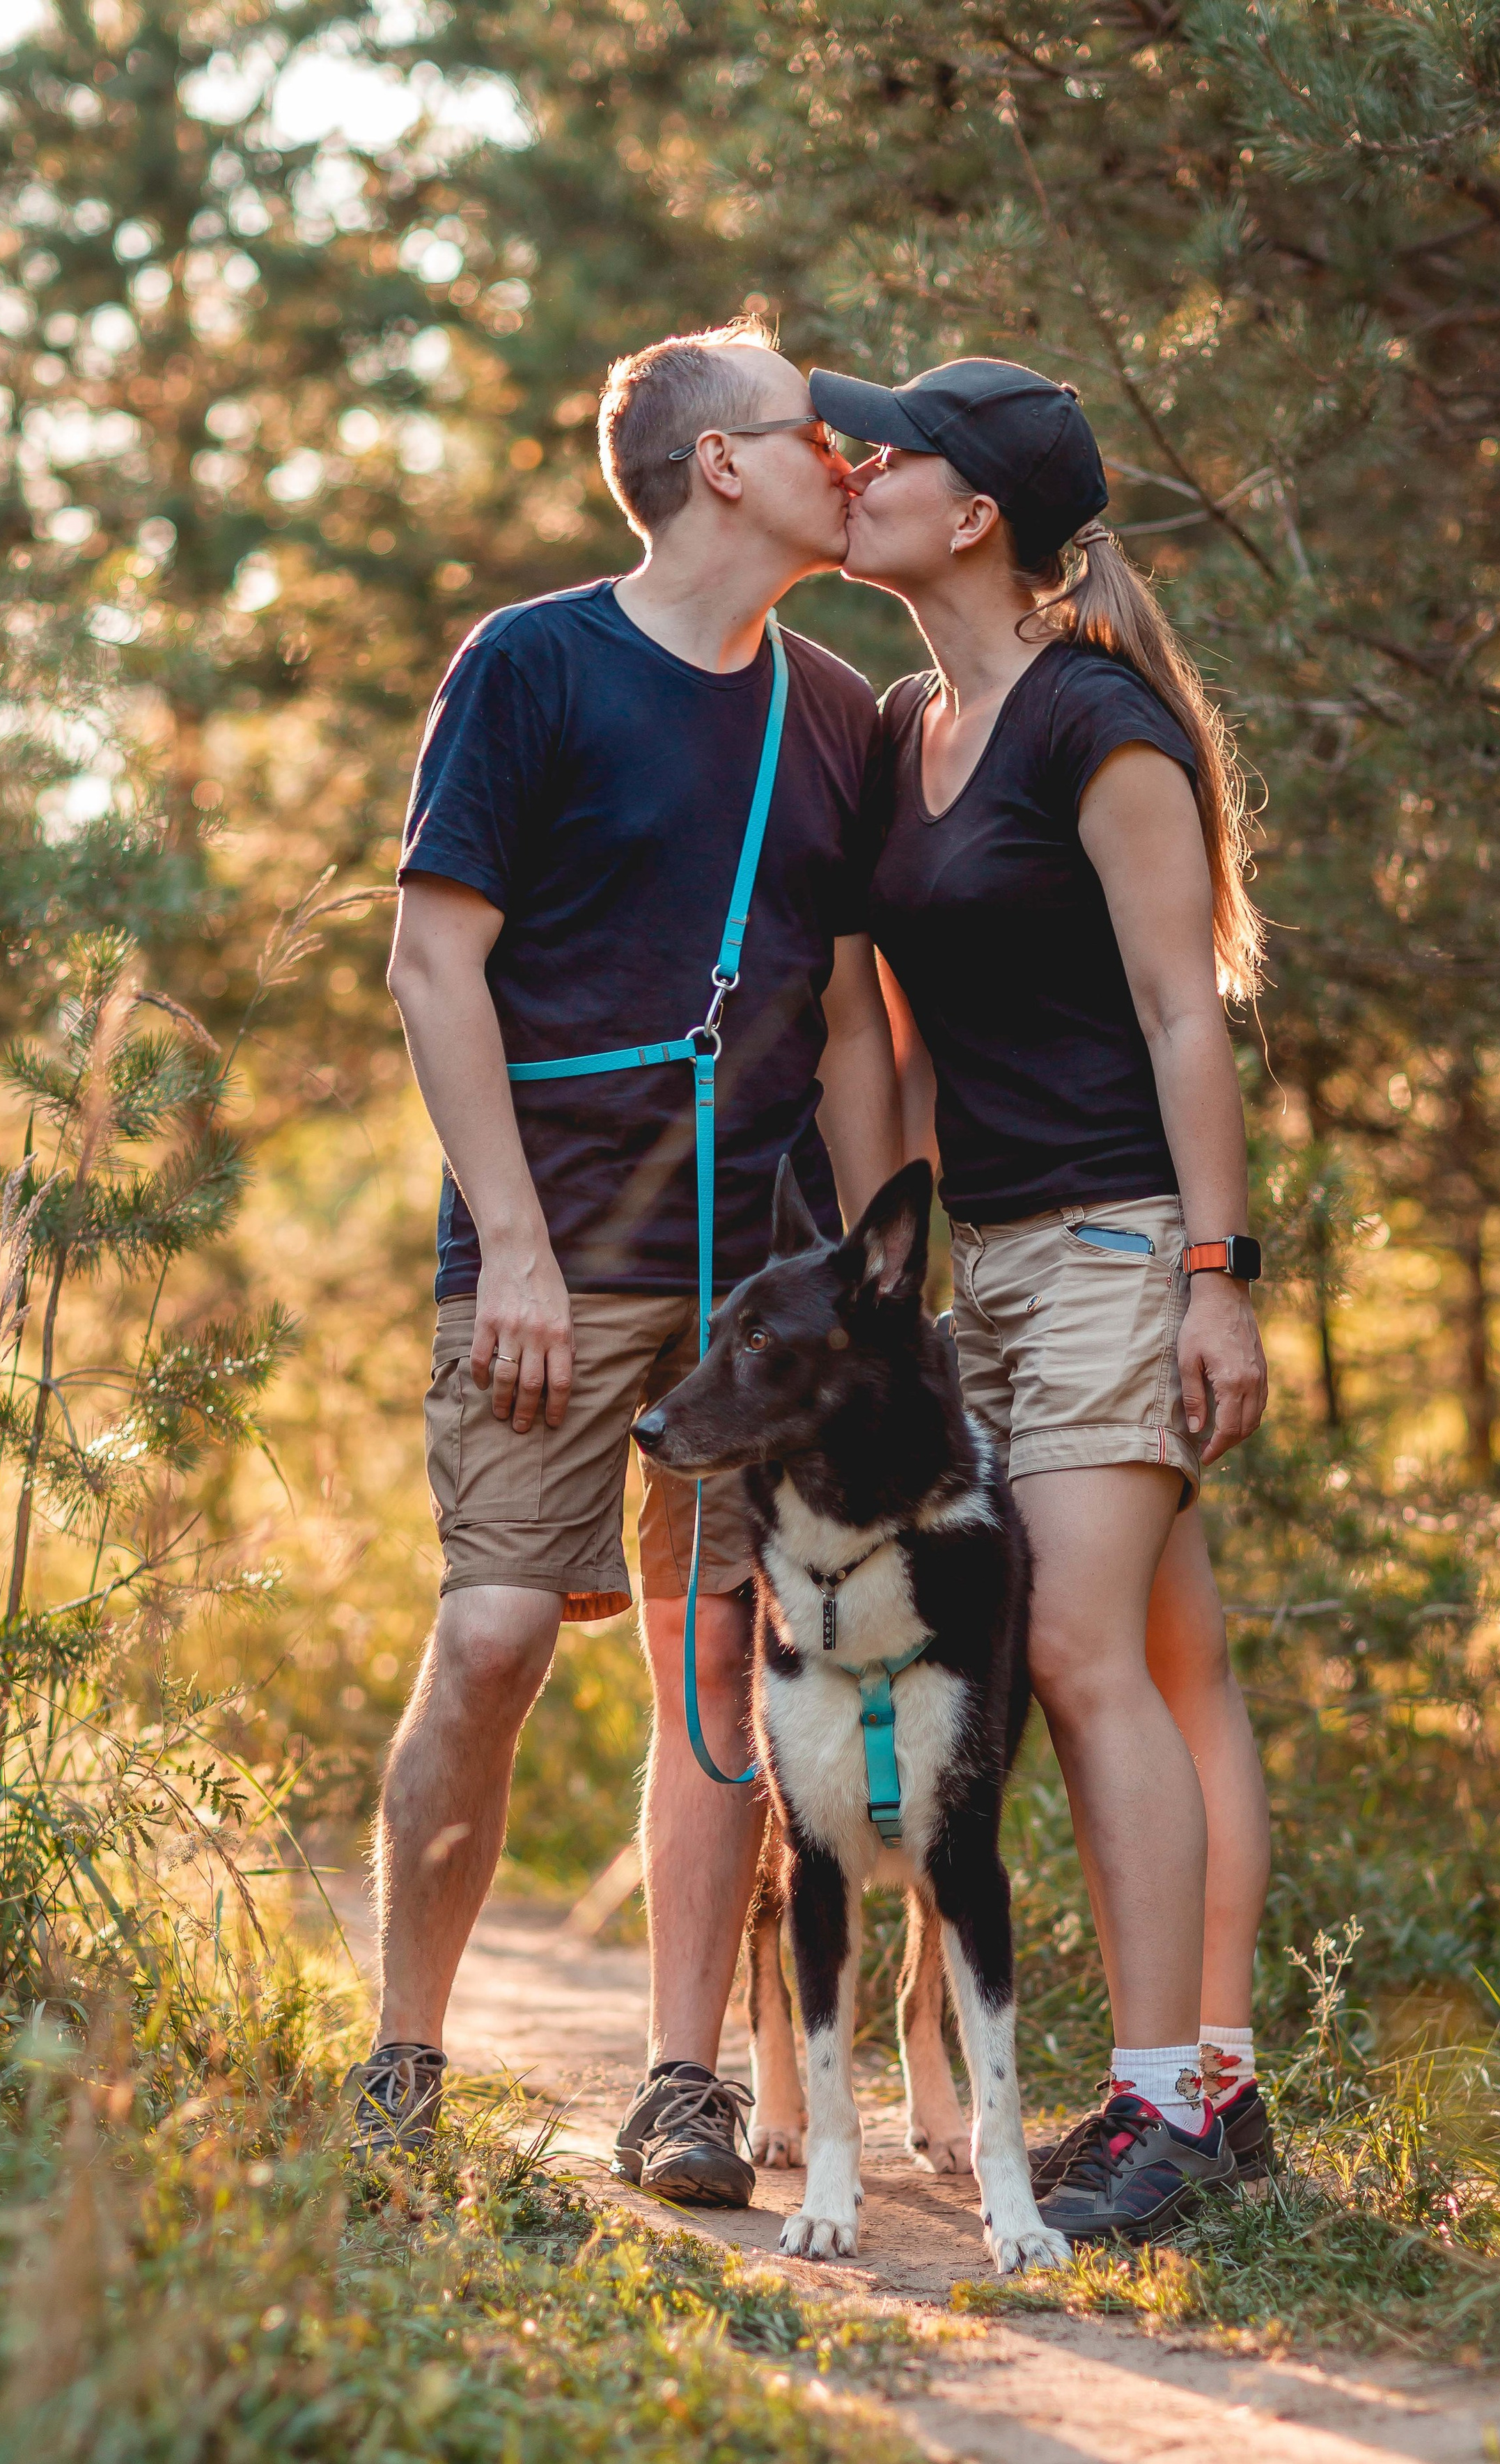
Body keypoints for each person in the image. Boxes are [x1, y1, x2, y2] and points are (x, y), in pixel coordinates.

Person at [357, 321, 900, 2201]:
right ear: (718, 468)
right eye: (810, 431)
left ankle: (684, 2086)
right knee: (500, 1630)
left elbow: (843, 1025)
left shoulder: (837, 711)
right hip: (552, 1247)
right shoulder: (529, 665)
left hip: (760, 1280)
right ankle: (406, 2053)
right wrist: (508, 1239)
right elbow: (436, 962)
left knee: (720, 1667)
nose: (849, 457)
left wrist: (874, 1302)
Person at [814, 354, 1274, 2243]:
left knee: (1081, 1664)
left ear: (975, 510)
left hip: (1112, 1242)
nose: (855, 466)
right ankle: (1214, 2099)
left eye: (888, 449)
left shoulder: (1102, 727)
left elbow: (1188, 1015)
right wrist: (889, 1291)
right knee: (1162, 1668)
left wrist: (1216, 1277)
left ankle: (1161, 2107)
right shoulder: (917, 717)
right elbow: (908, 1044)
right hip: (986, 1259)